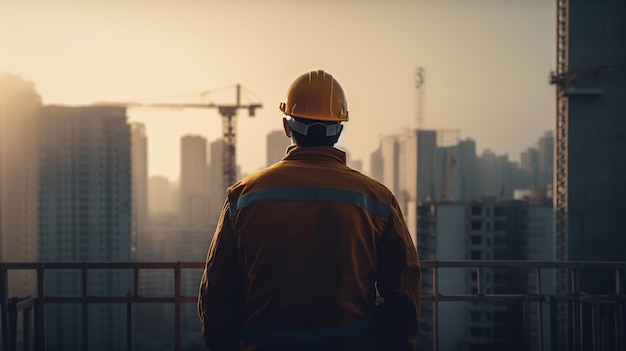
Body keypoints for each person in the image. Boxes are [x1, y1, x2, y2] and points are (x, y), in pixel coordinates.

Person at [198, 69, 421, 351]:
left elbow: (216, 291)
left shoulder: (244, 197)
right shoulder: (377, 200)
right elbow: (403, 291)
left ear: (287, 126)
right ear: (339, 129)